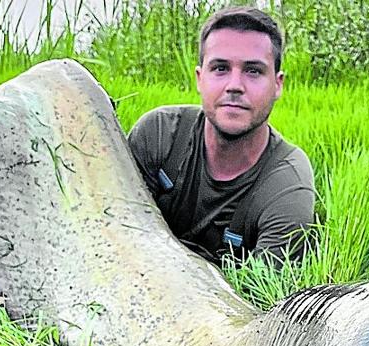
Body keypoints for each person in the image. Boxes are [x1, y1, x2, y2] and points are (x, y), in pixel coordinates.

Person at [127, 7, 315, 266]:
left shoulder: (286, 187)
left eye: (253, 71)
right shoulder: (159, 135)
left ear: (277, 84)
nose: (235, 85)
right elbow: (118, 234)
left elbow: (264, 301)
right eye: (220, 68)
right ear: (199, 78)